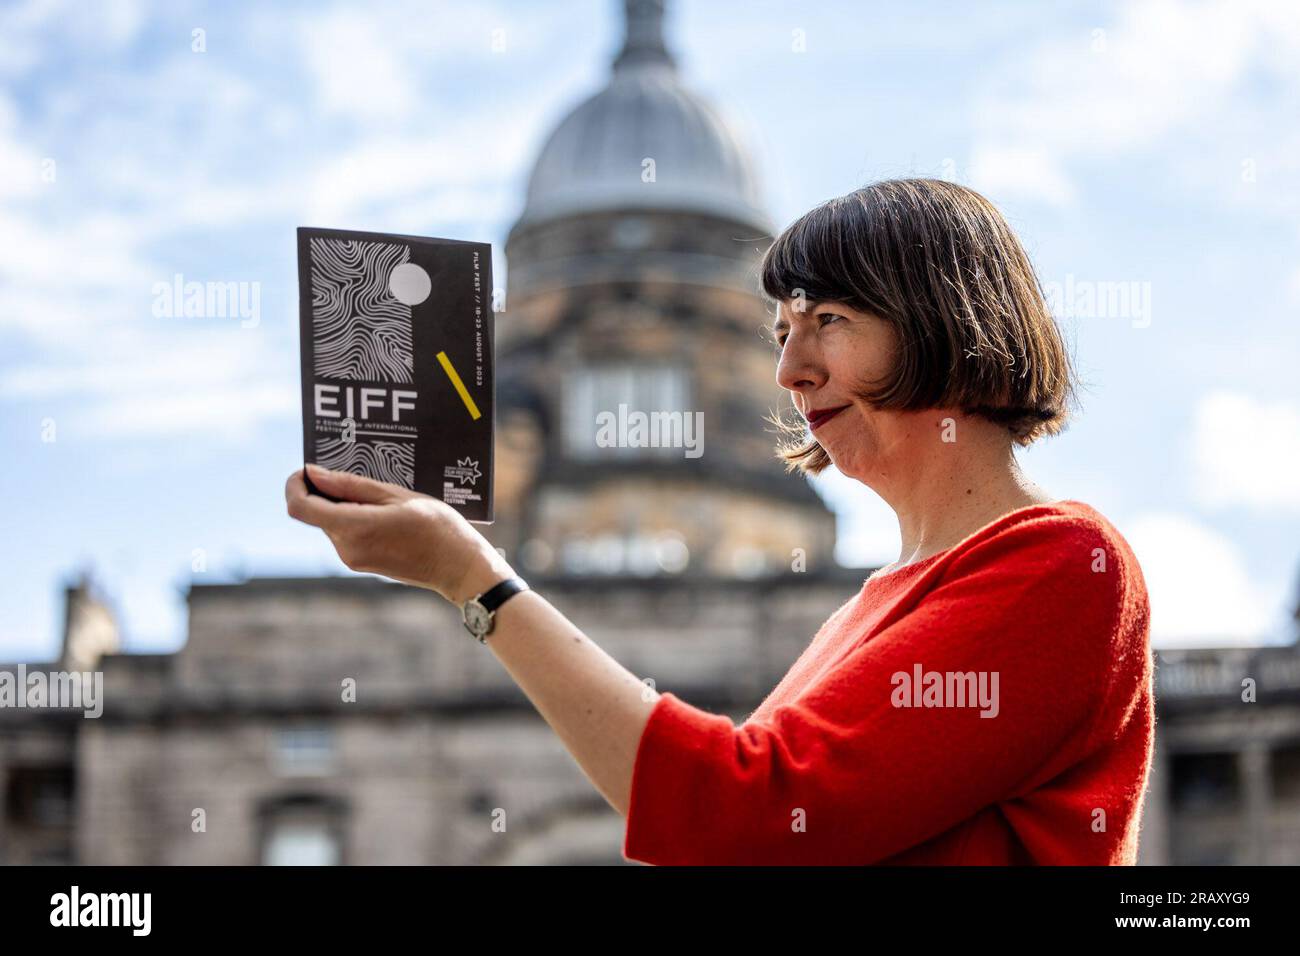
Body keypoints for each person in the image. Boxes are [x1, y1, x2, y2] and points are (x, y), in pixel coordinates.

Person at [285, 178, 1153, 865]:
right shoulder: (862, 610)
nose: (788, 370)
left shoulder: (1063, 563)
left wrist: (472, 578)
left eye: (829, 323)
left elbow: (743, 814)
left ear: (947, 325)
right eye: (779, 332)